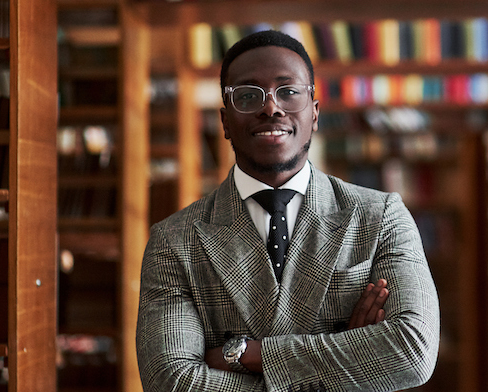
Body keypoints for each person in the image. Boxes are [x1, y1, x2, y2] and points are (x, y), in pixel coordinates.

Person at [136, 29, 440, 391]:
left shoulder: (381, 217)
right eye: (248, 96)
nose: (271, 107)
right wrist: (351, 356)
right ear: (225, 121)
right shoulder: (174, 240)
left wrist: (246, 353)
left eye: (288, 91)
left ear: (314, 113)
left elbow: (412, 351)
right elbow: (170, 381)